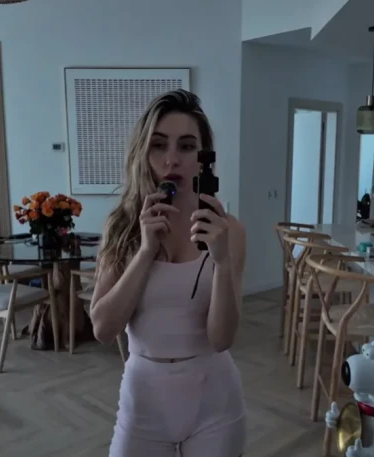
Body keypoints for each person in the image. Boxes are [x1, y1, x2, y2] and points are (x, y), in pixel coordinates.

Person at [90, 89, 247, 457]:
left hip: (215, 404)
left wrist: (222, 262)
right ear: (143, 153)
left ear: (204, 157)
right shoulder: (122, 226)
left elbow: (221, 338)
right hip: (142, 404)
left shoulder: (229, 231)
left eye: (187, 146)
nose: (172, 159)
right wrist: (146, 251)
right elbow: (103, 329)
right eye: (159, 145)